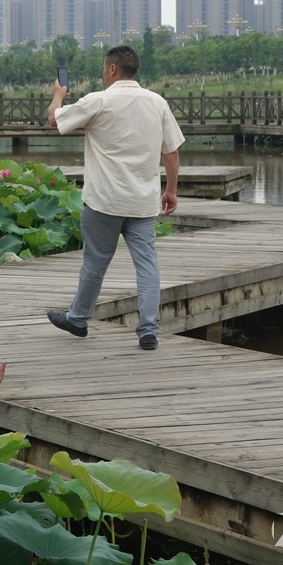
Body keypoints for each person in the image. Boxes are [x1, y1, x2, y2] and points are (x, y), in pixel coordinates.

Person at [46, 45, 184, 350]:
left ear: (111, 69)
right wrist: (171, 190)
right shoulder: (157, 102)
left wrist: (58, 96)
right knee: (147, 265)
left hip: (104, 201)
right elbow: (171, 152)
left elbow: (54, 120)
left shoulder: (98, 100)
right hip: (143, 202)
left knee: (95, 263)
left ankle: (78, 319)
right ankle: (148, 330)